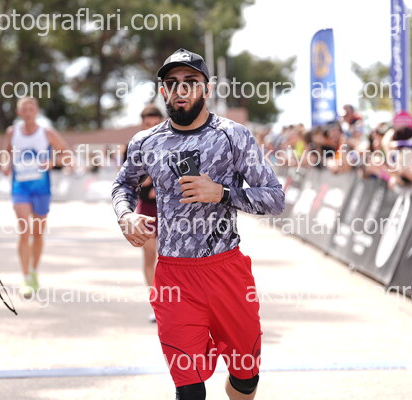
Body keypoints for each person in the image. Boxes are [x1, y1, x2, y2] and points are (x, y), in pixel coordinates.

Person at [112, 48, 285, 400]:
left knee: (245, 378)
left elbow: (275, 198)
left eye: (190, 82)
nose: (181, 89)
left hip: (226, 271)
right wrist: (125, 215)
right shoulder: (146, 141)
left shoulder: (234, 136)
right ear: (163, 91)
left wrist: (221, 193)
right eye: (172, 83)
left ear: (207, 88)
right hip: (174, 276)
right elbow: (122, 185)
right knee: (189, 390)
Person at [2, 97, 70, 297]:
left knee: (38, 234)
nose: (28, 112)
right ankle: (25, 277)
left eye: (31, 109)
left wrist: (51, 162)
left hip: (41, 188)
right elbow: (6, 152)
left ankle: (34, 271)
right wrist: (6, 164)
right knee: (24, 231)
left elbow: (66, 154)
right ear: (19, 113)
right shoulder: (12, 132)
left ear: (37, 112)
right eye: (24, 109)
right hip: (20, 187)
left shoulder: (46, 132)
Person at [135, 104, 164, 323]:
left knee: (170, 258)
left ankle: (172, 302)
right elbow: (131, 179)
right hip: (145, 208)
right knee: (149, 255)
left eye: (156, 124)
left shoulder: (172, 144)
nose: (152, 128)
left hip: (169, 209)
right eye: (148, 124)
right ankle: (156, 304)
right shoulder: (135, 147)